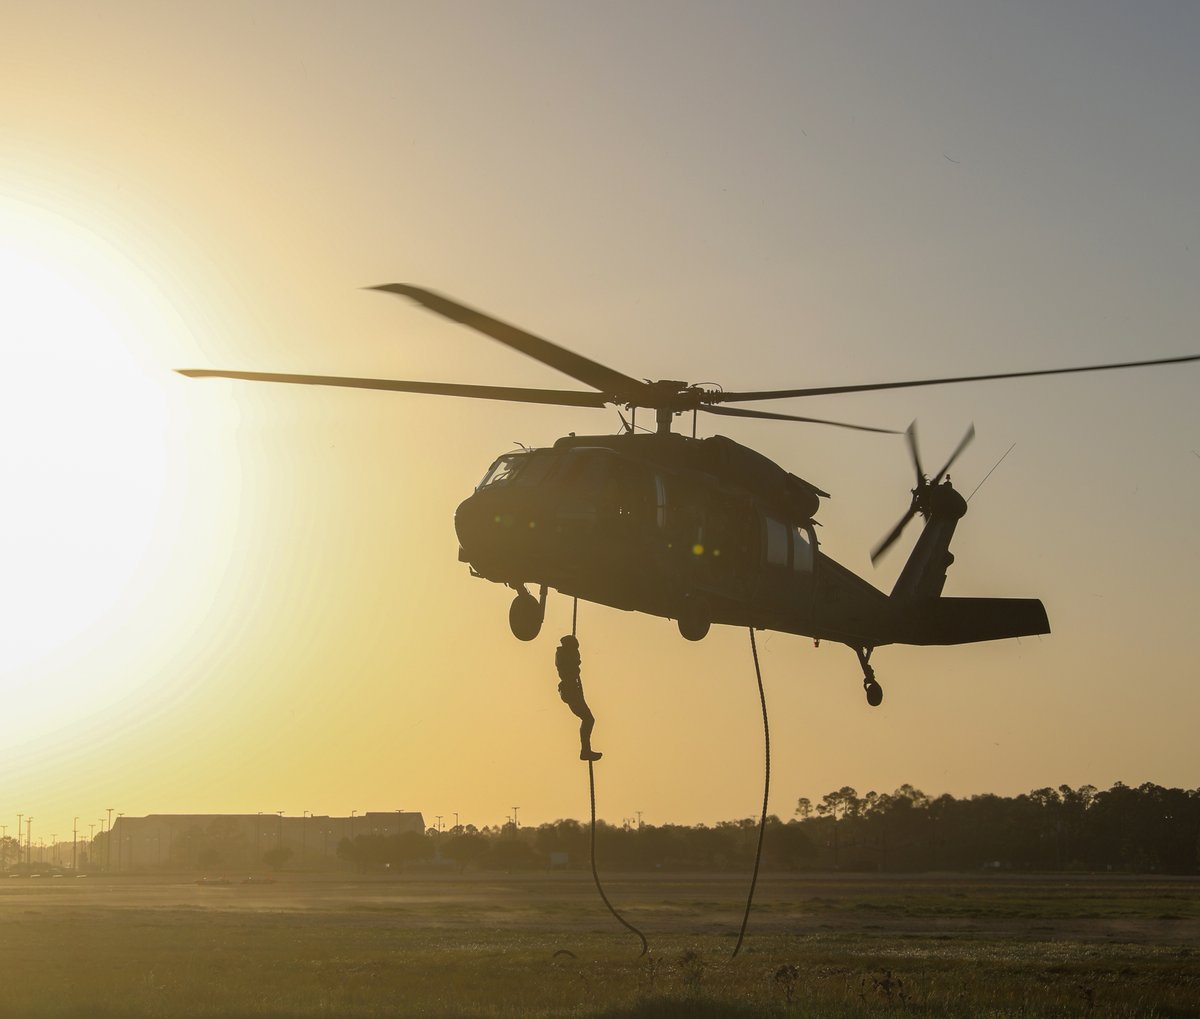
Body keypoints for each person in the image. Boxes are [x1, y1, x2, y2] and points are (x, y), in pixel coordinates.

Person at [555, 635, 602, 761]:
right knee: (588, 719)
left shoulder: (564, 656)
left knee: (587, 719)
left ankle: (586, 750)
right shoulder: (566, 659)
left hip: (571, 690)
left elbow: (575, 665)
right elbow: (574, 666)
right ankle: (585, 751)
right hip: (571, 691)